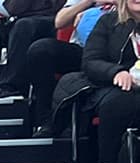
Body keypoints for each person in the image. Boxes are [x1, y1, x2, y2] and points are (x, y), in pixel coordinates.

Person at [24, 0, 112, 136]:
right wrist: (88, 4)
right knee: (40, 50)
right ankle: (47, 119)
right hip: (82, 50)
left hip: (114, 52)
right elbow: (59, 22)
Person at [80, 0, 140, 163]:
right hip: (115, 86)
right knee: (119, 103)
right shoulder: (108, 22)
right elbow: (90, 61)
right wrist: (116, 72)